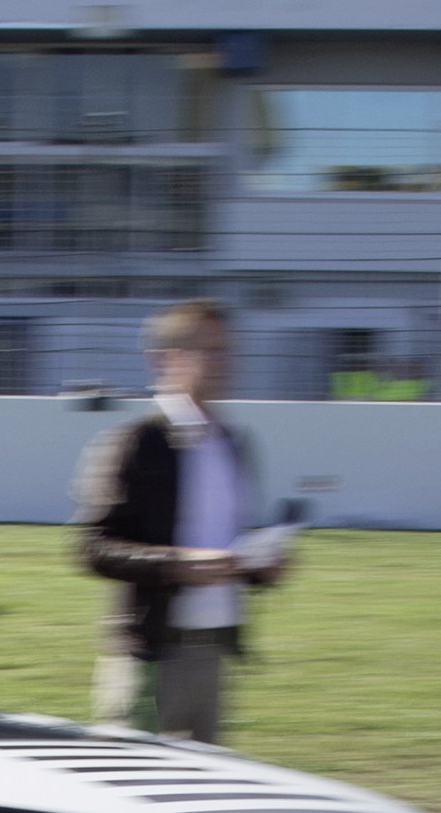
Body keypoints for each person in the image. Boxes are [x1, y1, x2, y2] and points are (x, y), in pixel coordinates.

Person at [74, 299, 294, 743]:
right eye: (205, 350)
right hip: (151, 654)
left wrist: (258, 566)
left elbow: (222, 543)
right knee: (133, 789)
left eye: (226, 349)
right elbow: (93, 546)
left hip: (212, 651)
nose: (221, 362)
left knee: (200, 792)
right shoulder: (136, 441)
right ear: (164, 359)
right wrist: (177, 565)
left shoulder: (232, 443)